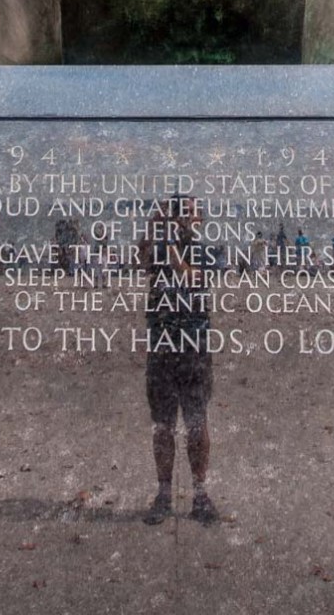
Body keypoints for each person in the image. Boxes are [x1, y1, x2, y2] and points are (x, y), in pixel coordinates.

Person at [141, 196, 217, 526]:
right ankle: (163, 493)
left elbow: (194, 278)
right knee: (163, 425)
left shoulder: (206, 247)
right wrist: (153, 224)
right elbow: (140, 260)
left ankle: (200, 493)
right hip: (161, 343)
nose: (184, 218)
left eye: (190, 212)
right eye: (179, 212)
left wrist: (171, 246)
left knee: (197, 422)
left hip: (194, 345)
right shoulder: (159, 245)